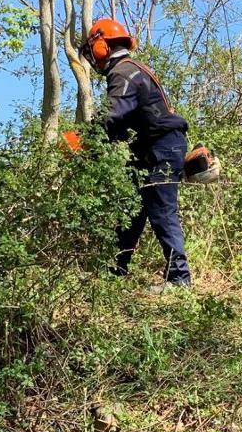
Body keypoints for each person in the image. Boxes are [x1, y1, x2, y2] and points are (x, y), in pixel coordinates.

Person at [79, 18, 192, 288]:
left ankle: (179, 280)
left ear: (101, 47)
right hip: (150, 147)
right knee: (131, 210)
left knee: (162, 211)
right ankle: (116, 270)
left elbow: (113, 116)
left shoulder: (123, 72)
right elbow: (124, 120)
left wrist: (83, 142)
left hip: (161, 147)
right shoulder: (130, 69)